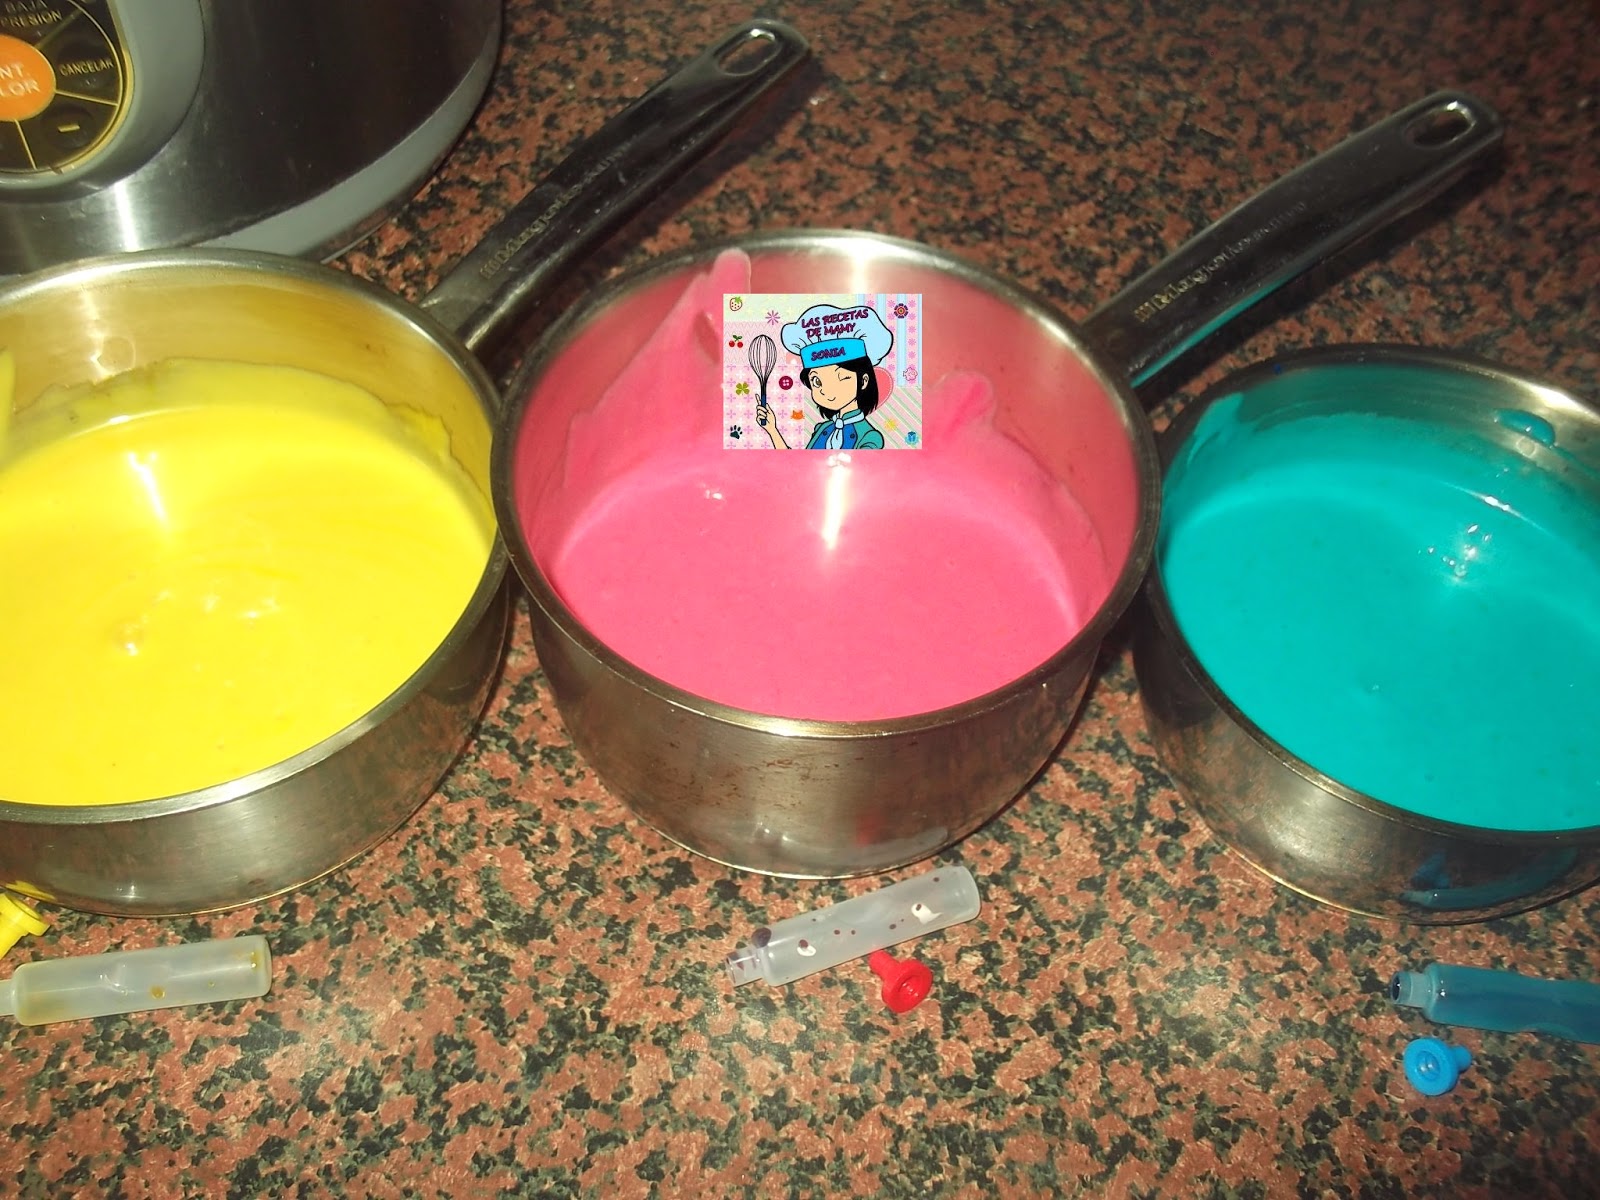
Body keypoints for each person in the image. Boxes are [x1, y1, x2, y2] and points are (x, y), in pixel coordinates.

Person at [761, 303, 892, 449]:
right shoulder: (822, 429)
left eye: (841, 377)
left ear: (863, 381)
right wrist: (772, 430)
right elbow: (799, 460)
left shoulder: (870, 437)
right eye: (817, 381)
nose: (826, 390)